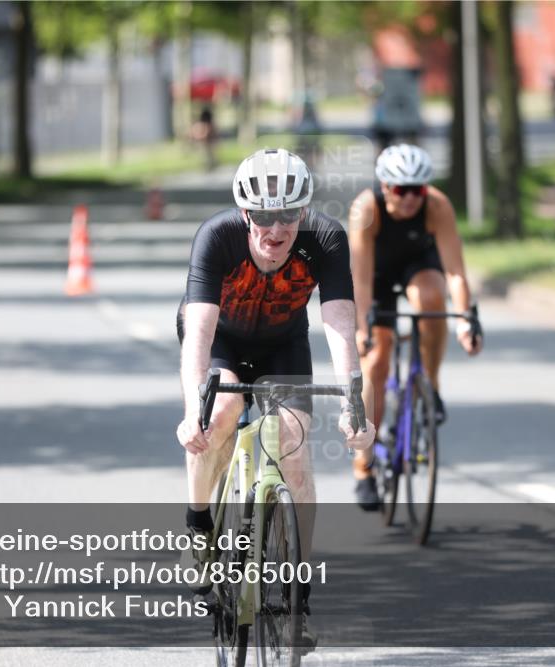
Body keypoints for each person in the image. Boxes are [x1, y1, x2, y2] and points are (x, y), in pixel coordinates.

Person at [176, 148, 376, 601]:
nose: (277, 228)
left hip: (284, 343)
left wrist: (354, 404)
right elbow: (199, 332)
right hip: (222, 339)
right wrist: (194, 411)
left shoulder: (326, 238)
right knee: (219, 414)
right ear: (246, 213)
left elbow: (341, 327)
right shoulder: (217, 237)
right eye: (264, 216)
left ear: (303, 210)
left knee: (294, 444)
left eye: (288, 213)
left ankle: (298, 588)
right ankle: (199, 523)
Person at [347, 144, 482, 510]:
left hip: (418, 265)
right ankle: (364, 466)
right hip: (375, 275)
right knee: (377, 359)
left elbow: (454, 271)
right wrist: (363, 329)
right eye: (401, 189)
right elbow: (358, 282)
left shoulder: (437, 206)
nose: (409, 199)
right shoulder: (366, 209)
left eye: (417, 190)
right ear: (384, 185)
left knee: (431, 301)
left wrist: (466, 320)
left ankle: (430, 384)